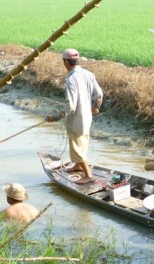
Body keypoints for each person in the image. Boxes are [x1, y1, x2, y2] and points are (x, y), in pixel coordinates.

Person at [45, 48, 103, 184]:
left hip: (76, 119)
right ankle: (78, 166)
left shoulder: (71, 79)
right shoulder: (88, 74)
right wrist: (95, 107)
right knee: (83, 143)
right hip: (87, 118)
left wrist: (55, 117)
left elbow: (70, 106)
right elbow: (99, 94)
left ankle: (88, 175)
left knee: (77, 147)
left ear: (66, 61)